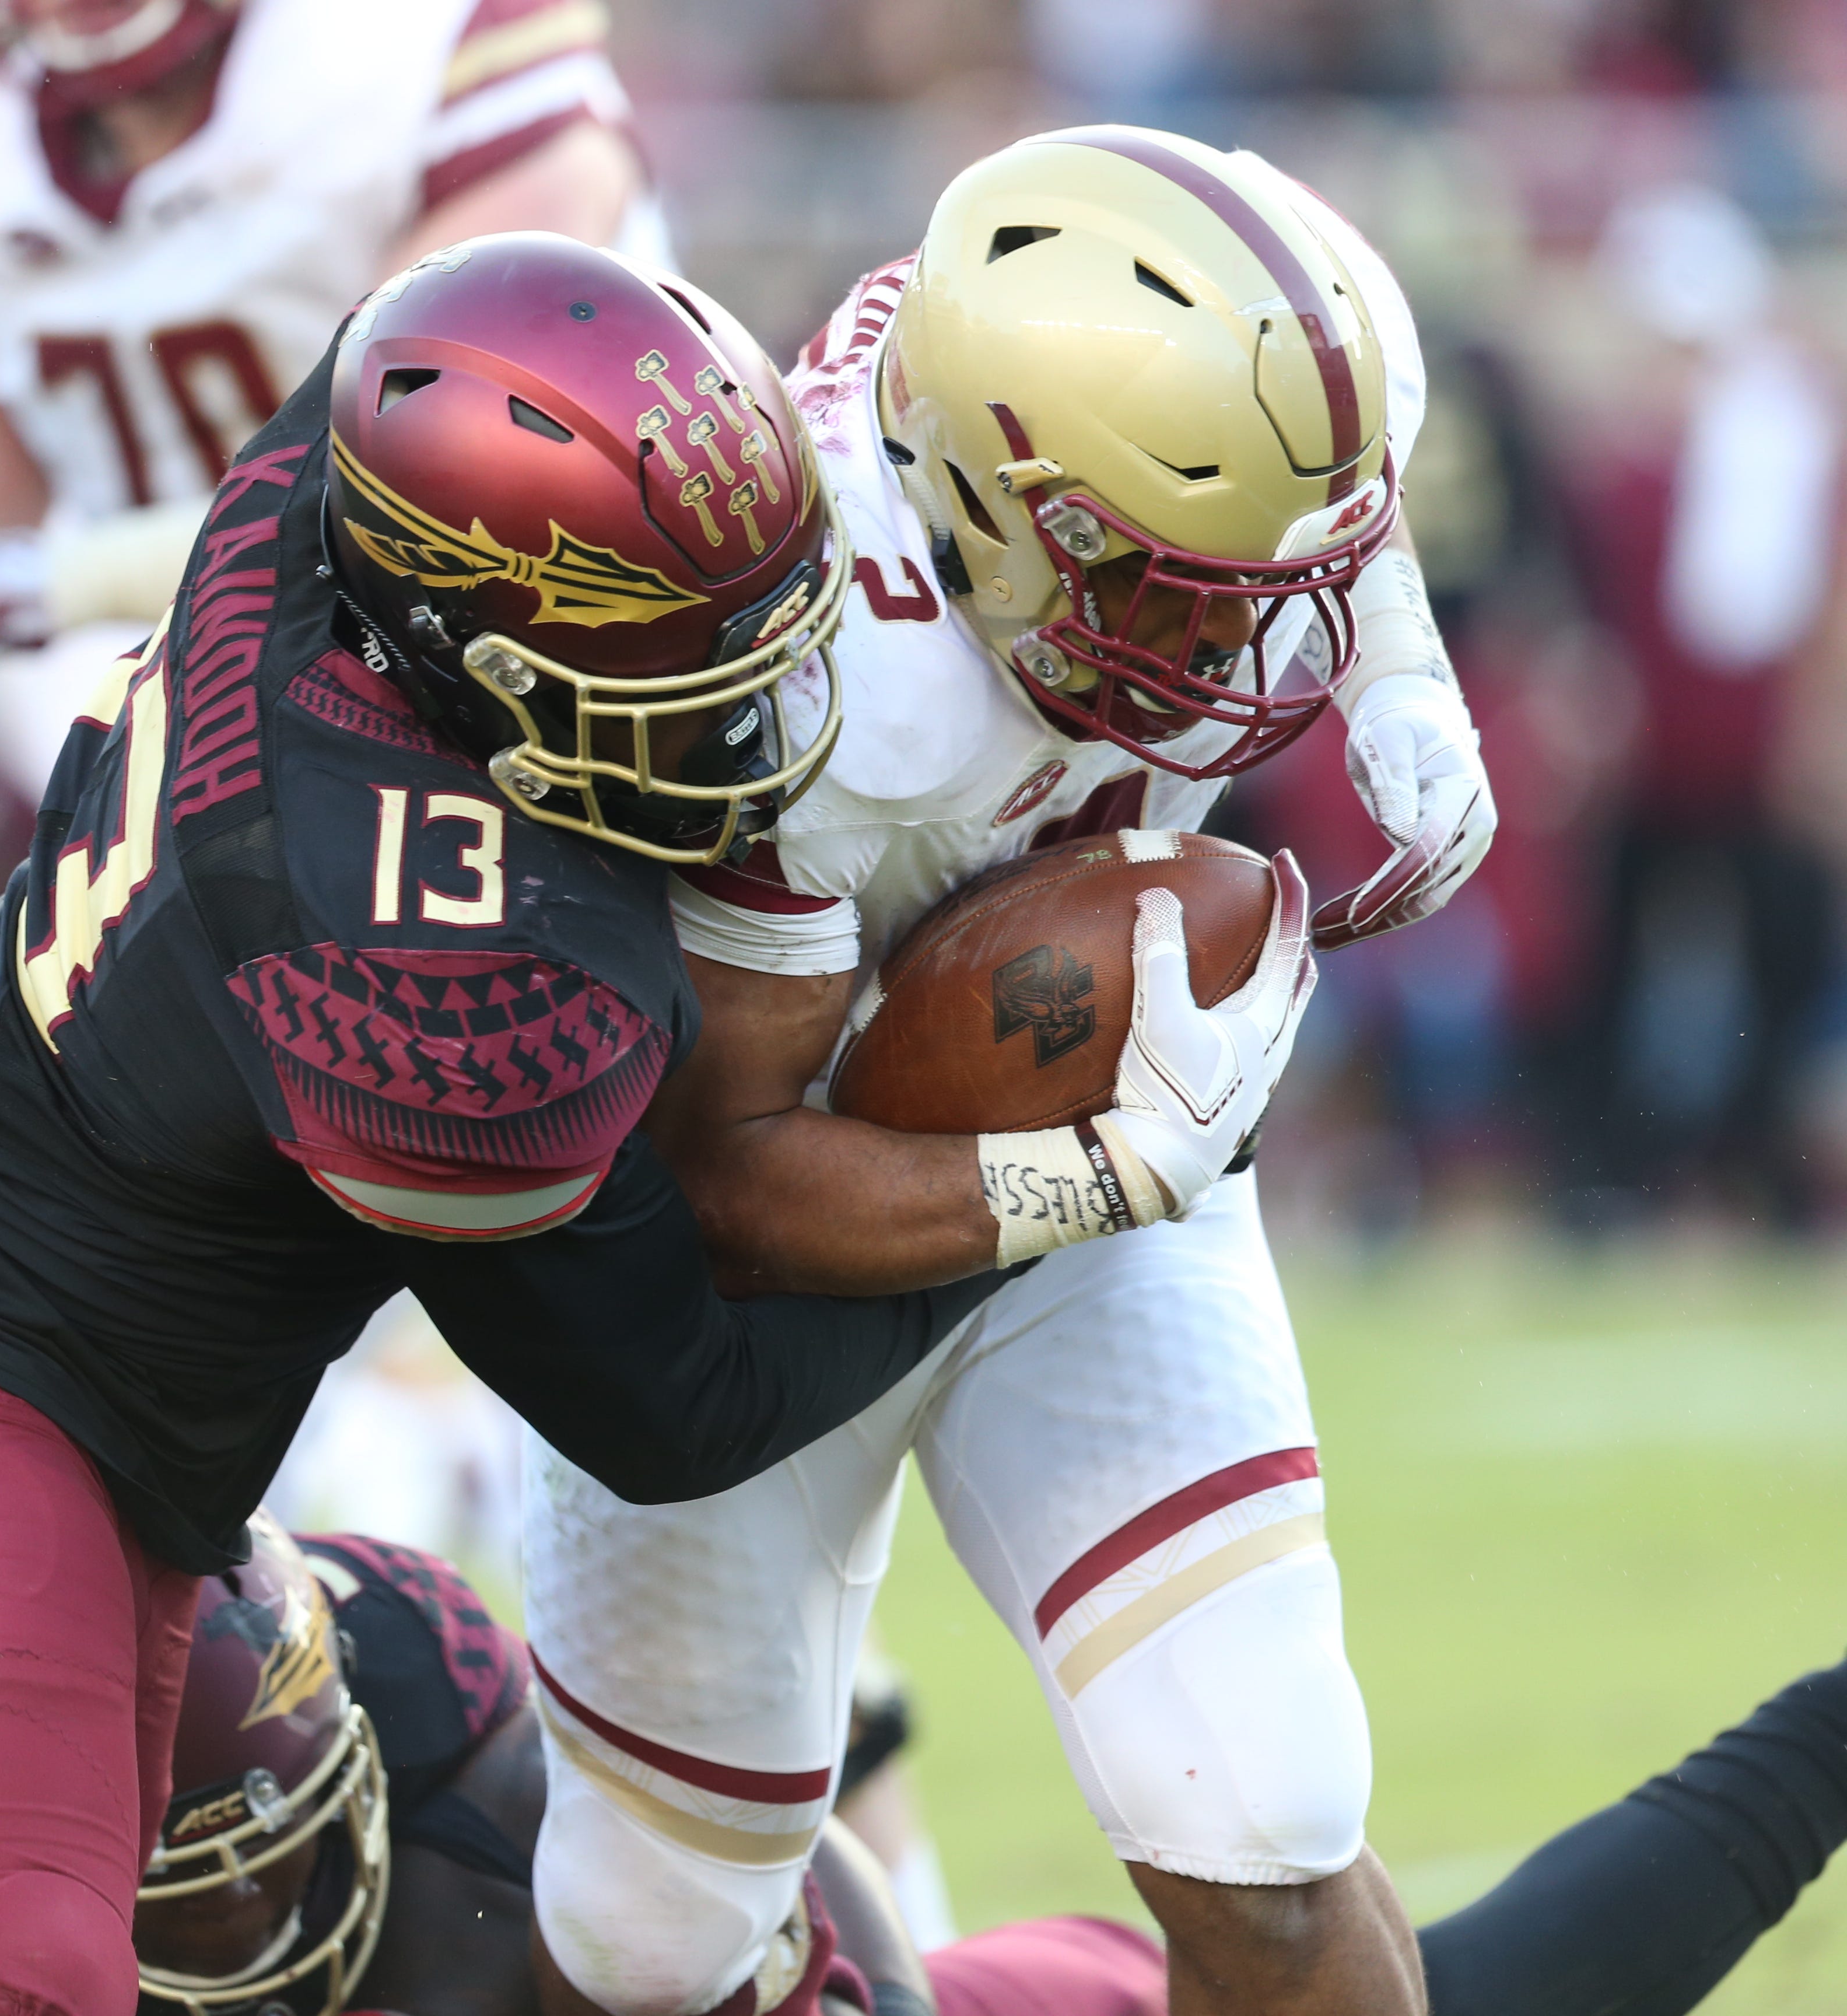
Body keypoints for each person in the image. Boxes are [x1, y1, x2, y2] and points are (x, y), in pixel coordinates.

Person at [0, 232, 1315, 2016]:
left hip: (46, 1409)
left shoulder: (367, 476)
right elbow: (676, 1405)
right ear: (484, 662)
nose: (765, 699)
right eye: (684, 661)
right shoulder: (432, 980)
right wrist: (1079, 1180)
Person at [518, 125, 1499, 2016]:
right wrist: (1102, 1170)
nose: (1243, 645)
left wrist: (1399, 681)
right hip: (739, 1274)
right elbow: (730, 1170)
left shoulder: (1097, 395)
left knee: (1265, 1811)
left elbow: (1320, 511)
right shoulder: (798, 661)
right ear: (987, 507)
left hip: (1085, 1172)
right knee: (651, 1941)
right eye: (1169, 594)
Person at [138, 1521, 1847, 2016]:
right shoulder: (1, 1826)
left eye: (241, 1862)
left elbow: (771, 1857)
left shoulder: (473, 1797)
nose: (212, 1937)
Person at [0, 0, 664, 894]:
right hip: (173, 689)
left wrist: (69, 581)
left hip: (524, 647)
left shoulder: (420, 40)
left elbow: (427, 477)